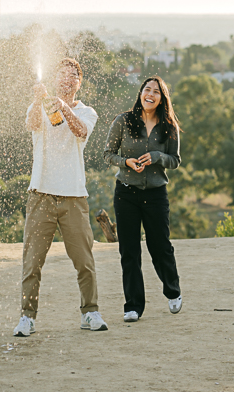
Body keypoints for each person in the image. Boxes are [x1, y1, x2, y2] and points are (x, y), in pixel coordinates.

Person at [14, 57, 108, 336]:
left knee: (84, 261)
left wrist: (63, 106)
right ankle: (27, 317)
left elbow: (80, 131)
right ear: (55, 80)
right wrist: (38, 101)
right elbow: (32, 125)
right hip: (41, 193)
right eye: (62, 75)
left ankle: (90, 313)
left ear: (79, 83)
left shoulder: (88, 112)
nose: (67, 80)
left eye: (72, 76)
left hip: (73, 196)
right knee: (32, 261)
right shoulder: (38, 107)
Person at [103, 77, 183, 321]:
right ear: (140, 94)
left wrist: (158, 156)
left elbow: (175, 160)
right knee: (130, 250)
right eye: (147, 89)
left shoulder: (169, 126)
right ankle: (133, 306)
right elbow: (108, 154)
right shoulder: (123, 121)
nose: (150, 94)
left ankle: (172, 291)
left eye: (156, 91)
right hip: (126, 192)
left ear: (162, 98)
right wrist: (125, 162)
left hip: (156, 194)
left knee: (159, 246)